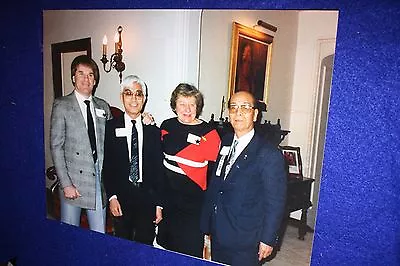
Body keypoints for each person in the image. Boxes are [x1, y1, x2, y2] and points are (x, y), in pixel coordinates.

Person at [200, 91, 287, 266]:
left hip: (246, 239)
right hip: (219, 231)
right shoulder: (224, 142)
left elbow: (275, 202)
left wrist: (268, 239)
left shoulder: (269, 154)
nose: (238, 112)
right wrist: (206, 225)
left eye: (245, 107)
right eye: (233, 107)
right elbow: (217, 185)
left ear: (255, 114)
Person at [157, 83, 221, 258]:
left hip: (194, 203)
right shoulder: (166, 126)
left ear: (198, 107)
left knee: (190, 251)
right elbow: (158, 162)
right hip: (170, 200)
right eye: (182, 104)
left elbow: (215, 174)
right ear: (174, 106)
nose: (187, 109)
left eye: (192, 104)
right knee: (167, 248)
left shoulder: (209, 132)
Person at [50, 55, 112, 233]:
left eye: (91, 75)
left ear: (95, 79)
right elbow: (56, 146)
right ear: (73, 78)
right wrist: (66, 184)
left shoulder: (103, 106)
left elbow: (115, 139)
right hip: (73, 183)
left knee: (99, 236)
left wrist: (143, 120)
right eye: (81, 73)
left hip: (98, 183)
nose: (86, 79)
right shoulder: (62, 105)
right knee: (70, 236)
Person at [102, 75, 164, 245]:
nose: (134, 99)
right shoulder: (111, 128)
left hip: (147, 198)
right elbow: (108, 166)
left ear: (144, 99)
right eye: (129, 94)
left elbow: (159, 170)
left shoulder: (152, 131)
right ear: (122, 97)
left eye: (139, 94)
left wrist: (159, 204)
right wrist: (112, 197)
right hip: (121, 197)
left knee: (145, 246)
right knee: (122, 245)